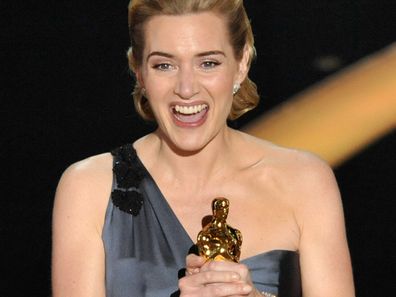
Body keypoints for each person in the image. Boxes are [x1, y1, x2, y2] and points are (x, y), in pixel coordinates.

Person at [52, 0, 355, 296]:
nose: (186, 88)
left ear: (241, 64)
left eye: (208, 63)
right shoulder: (89, 187)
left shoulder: (305, 181)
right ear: (139, 72)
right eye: (164, 65)